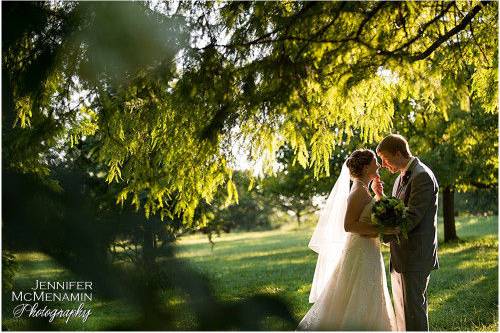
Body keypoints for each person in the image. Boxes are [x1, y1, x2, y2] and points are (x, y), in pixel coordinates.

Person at [297, 149, 398, 331]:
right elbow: (349, 225)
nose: (379, 164)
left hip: (368, 249)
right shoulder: (358, 191)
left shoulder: (364, 190)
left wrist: (378, 195)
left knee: (368, 293)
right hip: (361, 251)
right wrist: (383, 229)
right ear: (367, 166)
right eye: (375, 161)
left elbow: (366, 217)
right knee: (360, 293)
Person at [375, 134, 439, 331]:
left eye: (385, 159)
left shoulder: (422, 176)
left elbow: (410, 219)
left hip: (415, 256)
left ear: (398, 153)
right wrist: (379, 196)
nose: (383, 165)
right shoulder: (399, 179)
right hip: (401, 256)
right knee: (403, 312)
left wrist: (378, 233)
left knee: (413, 314)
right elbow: (396, 211)